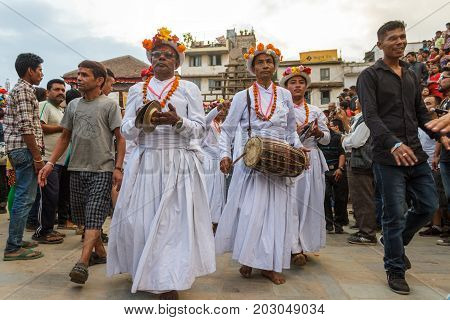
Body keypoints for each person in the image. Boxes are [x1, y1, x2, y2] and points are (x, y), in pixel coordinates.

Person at [107, 27, 215, 299]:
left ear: (177, 61)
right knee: (140, 221)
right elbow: (126, 129)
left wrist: (177, 122)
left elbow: (201, 129)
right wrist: (145, 123)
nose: (161, 59)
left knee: (172, 223)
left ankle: (168, 279)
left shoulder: (189, 88)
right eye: (156, 55)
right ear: (150, 59)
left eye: (168, 55)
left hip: (177, 160)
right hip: (145, 161)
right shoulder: (136, 89)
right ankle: (144, 270)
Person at [357, 21, 441, 295]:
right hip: (387, 158)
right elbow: (371, 116)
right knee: (393, 215)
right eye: (393, 38)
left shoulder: (411, 75)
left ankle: (397, 241)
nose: (400, 42)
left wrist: (441, 135)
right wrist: (393, 143)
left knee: (429, 205)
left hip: (416, 154)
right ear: (379, 44)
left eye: (403, 37)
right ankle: (395, 268)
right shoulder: (370, 76)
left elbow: (421, 114)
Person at [215, 42, 302, 285]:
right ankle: (249, 258)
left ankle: (270, 265)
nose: (265, 65)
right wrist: (225, 155)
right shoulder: (242, 96)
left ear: (275, 66)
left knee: (276, 213)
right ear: (253, 68)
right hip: (252, 163)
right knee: (252, 212)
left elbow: (291, 130)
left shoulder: (284, 95)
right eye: (260, 62)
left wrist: (298, 150)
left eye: (269, 62)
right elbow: (227, 131)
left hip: (279, 161)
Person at [38, 60, 125, 284]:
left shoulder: (110, 105)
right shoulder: (74, 105)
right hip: (75, 168)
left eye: (85, 75)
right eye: (78, 74)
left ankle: (82, 263)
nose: (79, 78)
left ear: (99, 80)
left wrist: (118, 167)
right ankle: (101, 254)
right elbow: (65, 137)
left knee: (95, 216)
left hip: (102, 169)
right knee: (82, 217)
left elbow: (120, 137)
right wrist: (50, 163)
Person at [280, 65, 330, 265]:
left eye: (301, 82)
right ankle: (292, 246)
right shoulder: (281, 110)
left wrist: (318, 133)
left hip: (313, 160)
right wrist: (295, 133)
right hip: (290, 159)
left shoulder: (316, 111)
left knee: (310, 203)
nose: (297, 86)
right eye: (293, 82)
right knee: (290, 203)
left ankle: (306, 244)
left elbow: (327, 139)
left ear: (306, 87)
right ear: (286, 86)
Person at [3, 53, 45, 261]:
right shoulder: (24, 91)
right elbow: (27, 128)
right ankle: (13, 247)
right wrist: (38, 158)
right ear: (30, 71)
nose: (41, 74)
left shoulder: (22, 90)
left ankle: (16, 239)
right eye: (39, 70)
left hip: (21, 149)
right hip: (24, 149)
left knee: (24, 197)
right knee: (24, 198)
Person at [31, 79, 68, 244]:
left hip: (58, 161)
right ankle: (41, 231)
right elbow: (39, 126)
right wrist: (63, 128)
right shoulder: (44, 105)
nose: (61, 92)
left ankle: (48, 229)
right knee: (48, 196)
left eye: (63, 89)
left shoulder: (60, 110)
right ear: (48, 92)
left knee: (53, 196)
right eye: (57, 89)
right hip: (47, 159)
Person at [343, 99, 377, 245]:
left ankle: (368, 233)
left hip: (361, 164)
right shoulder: (361, 117)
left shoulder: (367, 118)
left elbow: (356, 142)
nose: (356, 100)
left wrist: (345, 140)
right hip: (357, 163)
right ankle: (364, 229)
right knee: (359, 199)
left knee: (363, 199)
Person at [202, 100, 229, 233]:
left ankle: (216, 220)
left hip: (219, 160)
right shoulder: (207, 123)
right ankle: (205, 220)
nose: (222, 112)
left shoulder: (221, 124)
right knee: (208, 190)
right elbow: (206, 120)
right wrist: (215, 110)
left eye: (224, 110)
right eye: (220, 110)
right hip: (207, 160)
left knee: (219, 191)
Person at [56, 89, 81, 230]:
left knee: (65, 190)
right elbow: (65, 135)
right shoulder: (73, 109)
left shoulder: (65, 110)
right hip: (69, 157)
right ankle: (67, 220)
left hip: (67, 156)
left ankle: (67, 220)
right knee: (66, 191)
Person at [431, 66, 450, 246]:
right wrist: (436, 154)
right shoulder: (444, 103)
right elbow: (440, 131)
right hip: (445, 155)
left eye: (443, 78)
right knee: (447, 195)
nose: (439, 82)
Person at [319, 118, 348, 234]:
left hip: (337, 169)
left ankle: (339, 223)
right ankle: (328, 223)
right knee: (325, 196)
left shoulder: (336, 137)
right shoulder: (317, 139)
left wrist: (340, 168)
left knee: (341, 198)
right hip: (324, 172)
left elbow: (342, 153)